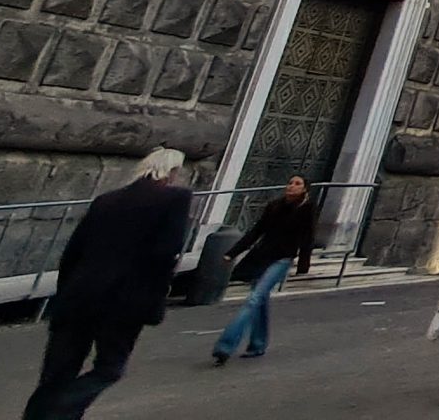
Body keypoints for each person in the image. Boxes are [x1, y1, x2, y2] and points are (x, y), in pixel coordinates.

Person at [23, 147, 192, 420]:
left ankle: (39, 415)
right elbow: (165, 251)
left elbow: (74, 251)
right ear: (172, 172)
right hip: (125, 300)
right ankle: (58, 413)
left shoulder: (106, 200)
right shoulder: (176, 198)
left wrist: (66, 291)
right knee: (110, 367)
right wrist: (156, 296)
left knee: (58, 371)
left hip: (79, 294)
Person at [212, 174, 317, 363]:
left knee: (254, 299)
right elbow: (256, 232)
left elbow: (308, 238)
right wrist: (232, 253)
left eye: (297, 184)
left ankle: (225, 346)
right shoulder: (274, 207)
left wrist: (303, 266)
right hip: (262, 258)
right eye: (290, 182)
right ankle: (258, 345)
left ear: (305, 189)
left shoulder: (306, 210)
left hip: (282, 260)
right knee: (260, 301)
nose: (291, 186)